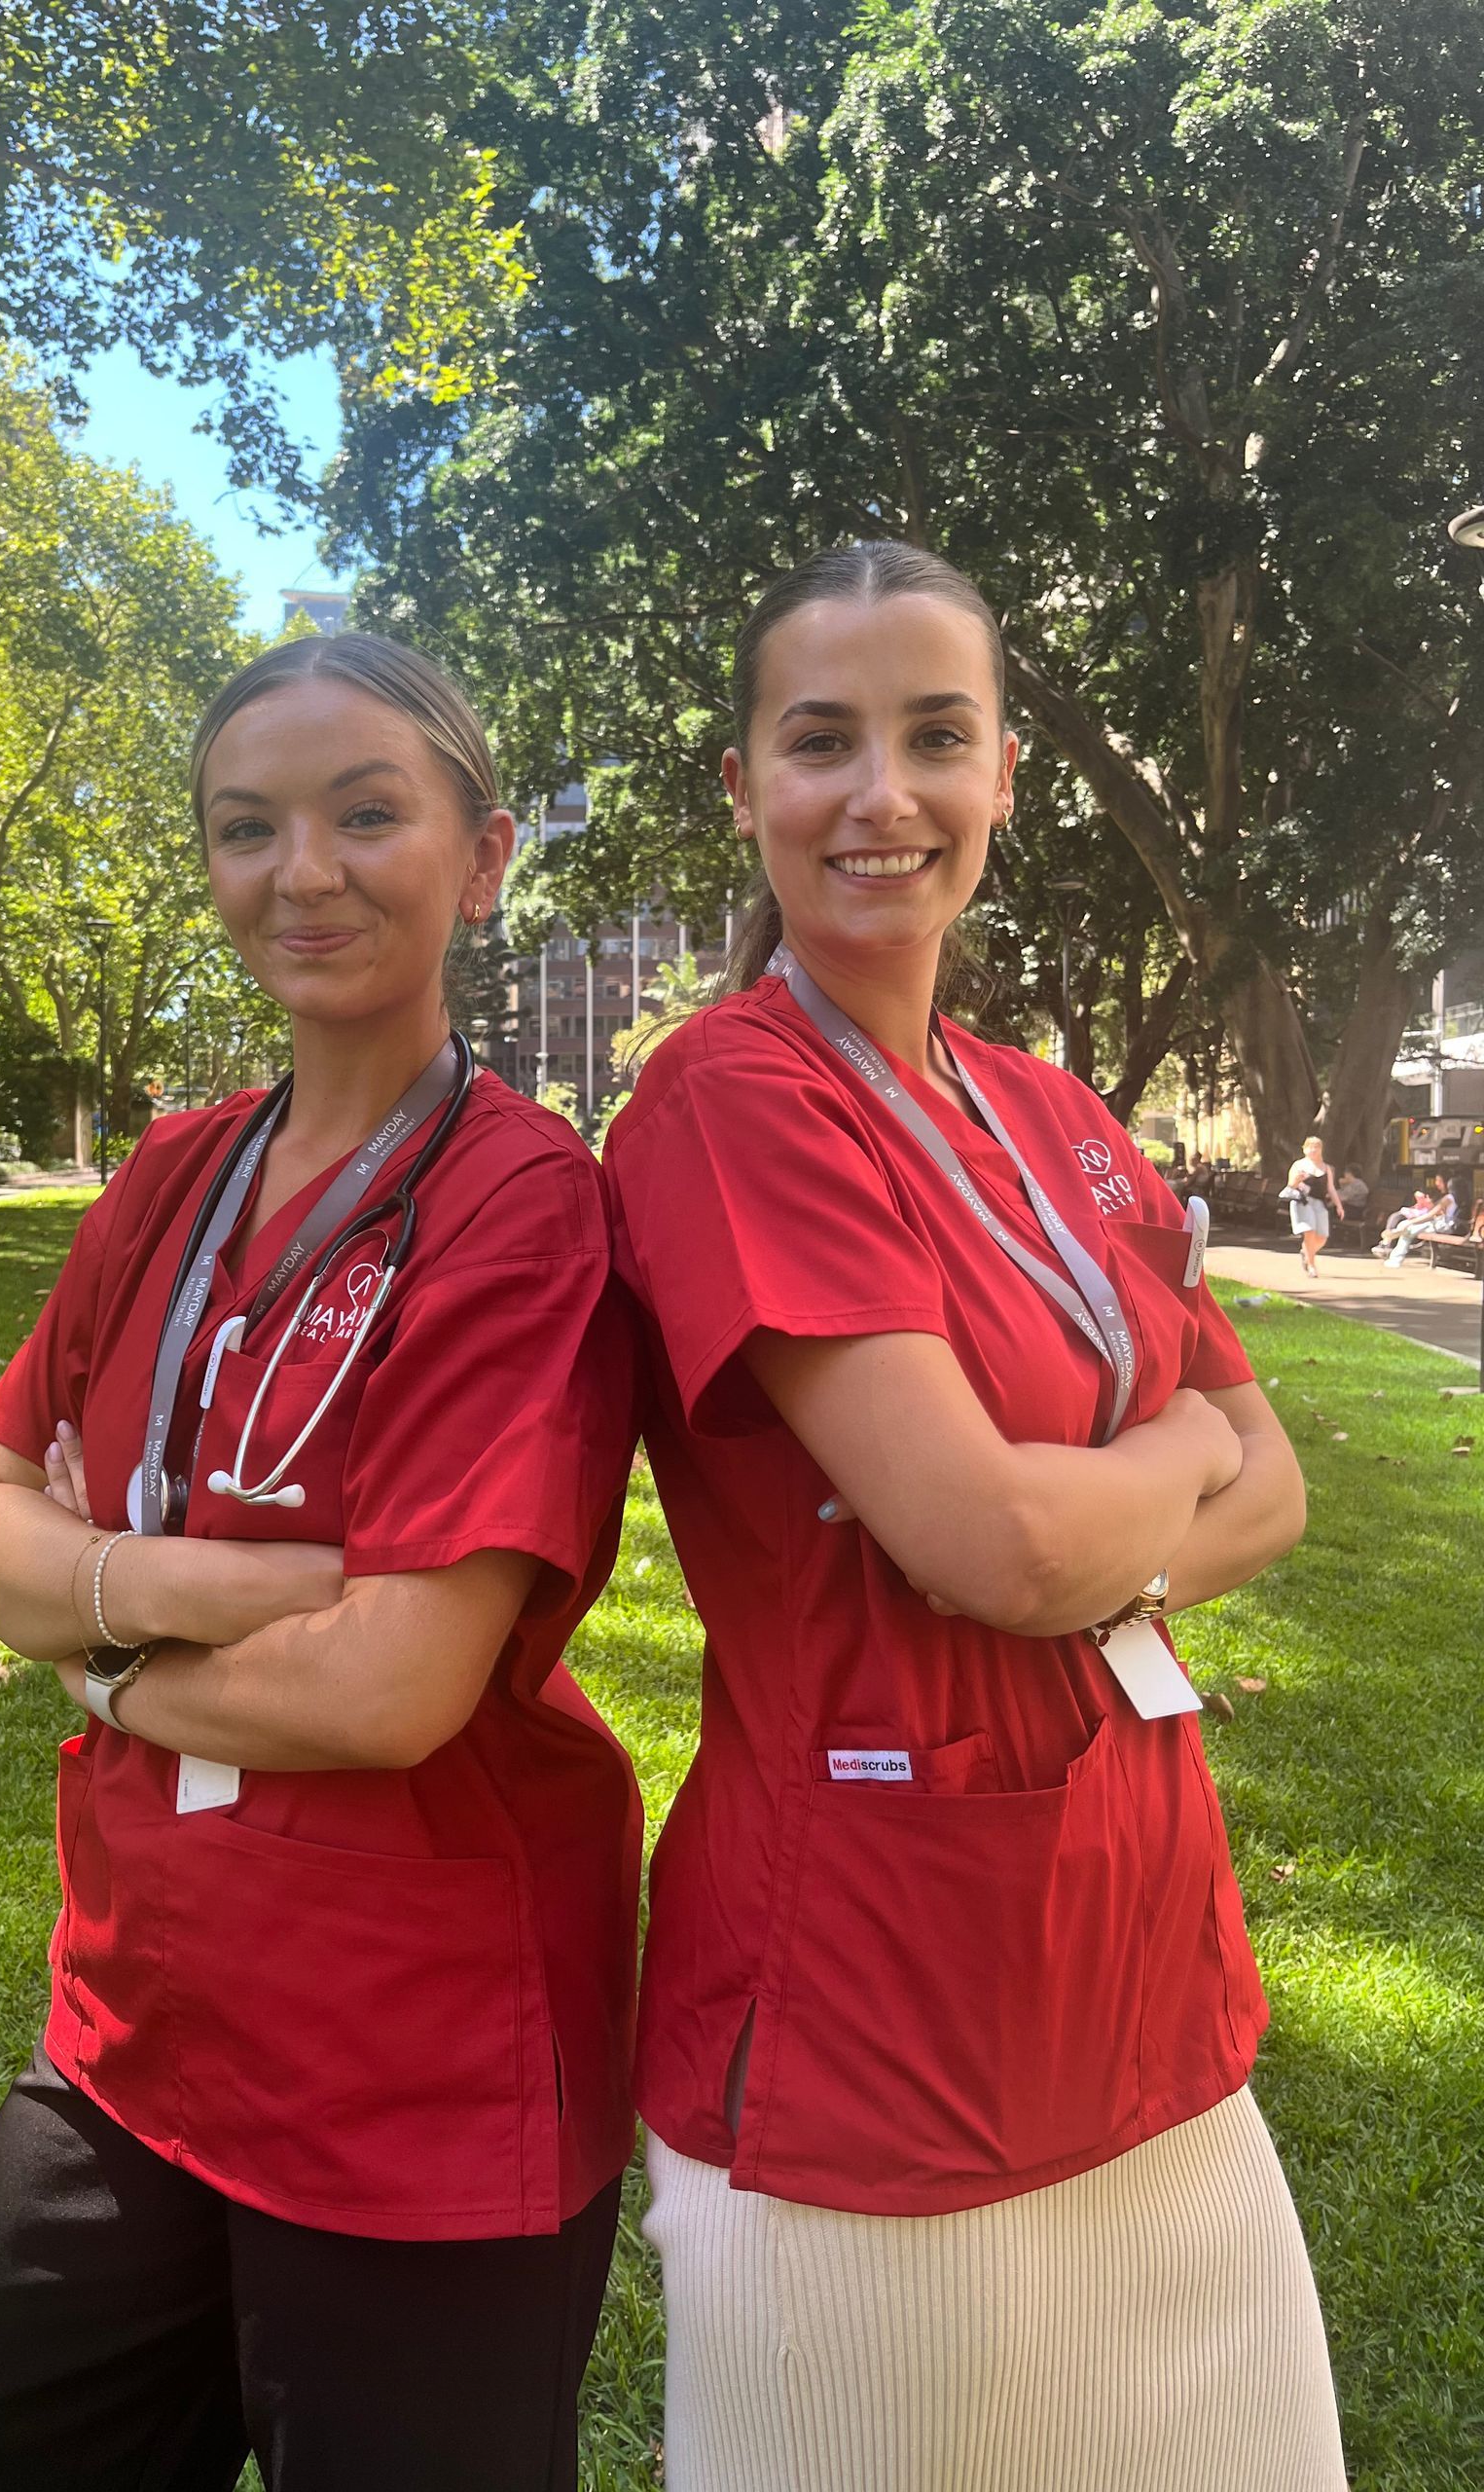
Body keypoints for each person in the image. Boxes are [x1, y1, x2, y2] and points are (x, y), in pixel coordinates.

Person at [0, 634, 641, 2492]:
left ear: (485, 856)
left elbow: (391, 1690)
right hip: (141, 2015)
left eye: (366, 813)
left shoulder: (522, 1204)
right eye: (245, 826)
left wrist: (87, 1626)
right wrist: (184, 1592)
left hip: (418, 2067)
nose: (304, 872)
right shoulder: (169, 1176)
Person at [605, 541, 1343, 2492]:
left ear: (1007, 771)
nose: (885, 794)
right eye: (821, 741)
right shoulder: (729, 1100)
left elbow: (1276, 1484)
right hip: (865, 2030)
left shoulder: (1065, 1118)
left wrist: (1117, 1519)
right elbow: (996, 1547)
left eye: (938, 736)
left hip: (1152, 1990)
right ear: (746, 785)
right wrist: (1165, 1459)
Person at [1283, 1135, 1342, 1279]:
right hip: (1303, 1202)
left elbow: (1331, 1188)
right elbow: (1291, 1185)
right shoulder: (1298, 1165)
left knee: (1322, 1237)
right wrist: (1297, 1180)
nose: (1313, 1150)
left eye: (1316, 1147)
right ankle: (1311, 1266)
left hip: (1319, 1203)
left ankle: (1306, 1252)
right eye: (1310, 1147)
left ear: (1321, 1150)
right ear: (1304, 1149)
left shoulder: (1326, 1168)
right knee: (1309, 1231)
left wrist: (1339, 1206)